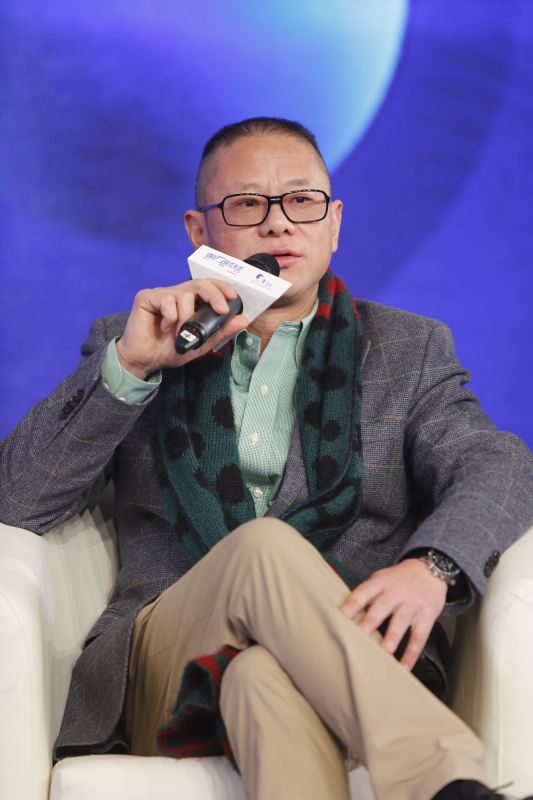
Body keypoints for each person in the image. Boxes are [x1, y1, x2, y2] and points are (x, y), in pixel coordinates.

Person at [1, 117, 532, 800]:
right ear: (199, 231)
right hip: (169, 660)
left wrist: (431, 569)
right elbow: (16, 498)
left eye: (302, 201)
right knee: (263, 546)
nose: (279, 223)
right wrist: (131, 369)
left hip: (348, 662)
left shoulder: (408, 349)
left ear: (333, 224)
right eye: (248, 204)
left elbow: (499, 466)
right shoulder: (137, 339)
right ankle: (449, 780)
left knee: (258, 677)